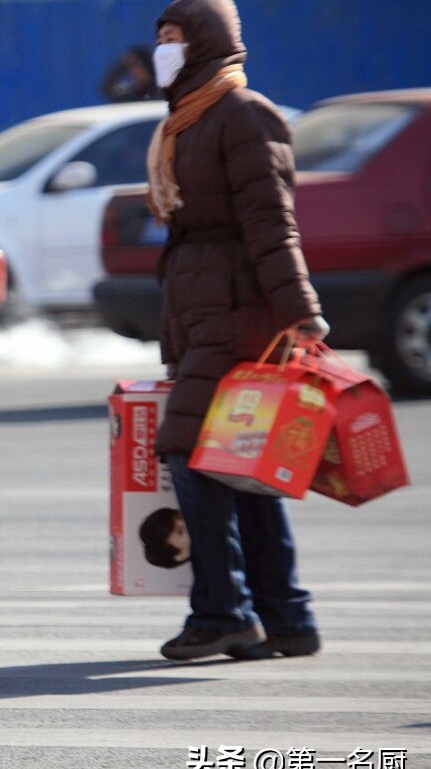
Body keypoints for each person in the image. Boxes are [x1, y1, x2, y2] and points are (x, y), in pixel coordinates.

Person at [146, 0, 330, 661]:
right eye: (160, 37)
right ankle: (286, 616)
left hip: (238, 315)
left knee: (190, 450)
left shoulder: (242, 115)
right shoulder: (183, 120)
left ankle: (224, 611)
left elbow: (272, 225)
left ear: (207, 43)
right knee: (237, 462)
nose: (165, 48)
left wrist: (301, 312)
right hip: (202, 312)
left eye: (176, 37)